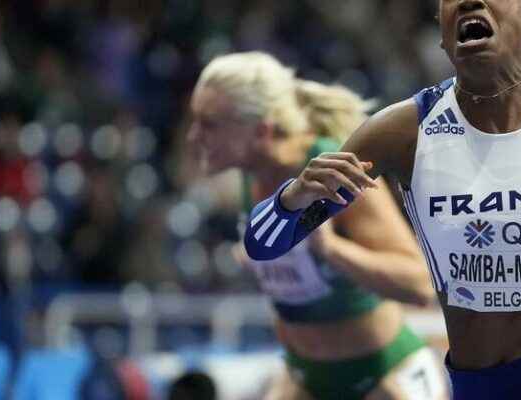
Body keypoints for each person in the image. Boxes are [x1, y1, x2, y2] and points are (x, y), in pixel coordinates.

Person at [242, 1, 521, 399]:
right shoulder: (402, 133)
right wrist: (292, 198)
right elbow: (263, 245)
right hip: (475, 385)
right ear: (441, 31)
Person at [188, 52, 449, 400]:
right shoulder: (252, 176)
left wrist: (332, 250)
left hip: (383, 375)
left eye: (209, 123)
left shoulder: (331, 169)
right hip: (305, 375)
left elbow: (420, 284)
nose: (194, 136)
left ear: (261, 130)